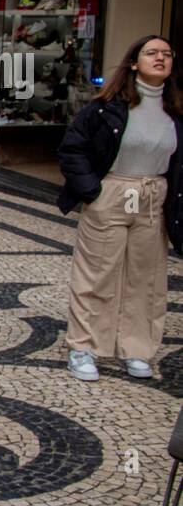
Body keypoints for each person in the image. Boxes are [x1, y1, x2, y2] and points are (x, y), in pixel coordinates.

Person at [58, 35, 182, 382]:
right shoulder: (106, 106)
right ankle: (84, 346)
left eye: (166, 54)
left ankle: (136, 348)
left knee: (147, 278)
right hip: (112, 190)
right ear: (133, 62)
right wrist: (91, 191)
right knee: (98, 273)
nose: (160, 58)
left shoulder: (175, 111)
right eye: (151, 53)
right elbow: (72, 149)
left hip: (153, 194)